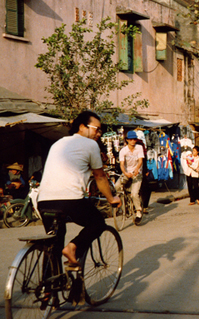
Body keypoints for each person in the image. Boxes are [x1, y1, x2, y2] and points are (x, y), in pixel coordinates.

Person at [37, 111, 121, 268]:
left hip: (43, 201)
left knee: (54, 243)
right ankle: (73, 247)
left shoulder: (58, 143)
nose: (99, 133)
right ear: (82, 127)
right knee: (97, 223)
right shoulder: (90, 144)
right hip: (70, 201)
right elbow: (100, 177)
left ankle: (48, 289)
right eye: (96, 129)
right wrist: (111, 198)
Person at [115, 130, 144, 225]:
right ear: (127, 140)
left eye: (134, 139)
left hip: (137, 173)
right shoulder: (123, 151)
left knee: (134, 193)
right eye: (131, 139)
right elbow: (122, 165)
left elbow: (140, 161)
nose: (133, 141)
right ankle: (121, 205)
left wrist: (137, 169)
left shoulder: (139, 148)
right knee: (117, 186)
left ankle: (138, 211)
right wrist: (125, 173)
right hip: (127, 173)